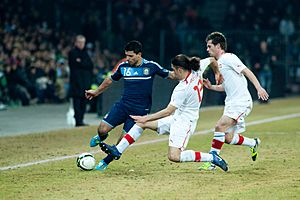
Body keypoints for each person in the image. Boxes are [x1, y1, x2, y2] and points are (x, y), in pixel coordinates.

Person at [94, 54, 228, 172]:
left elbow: (167, 111)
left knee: (174, 156)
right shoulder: (197, 69)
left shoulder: (182, 88)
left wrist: (145, 117)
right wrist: (217, 73)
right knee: (142, 124)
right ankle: (117, 151)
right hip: (176, 118)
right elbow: (211, 60)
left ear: (180, 69)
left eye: (174, 70)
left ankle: (212, 157)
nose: (173, 74)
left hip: (184, 123)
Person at [85, 40, 176, 165]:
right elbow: (110, 79)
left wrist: (189, 76)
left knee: (122, 142)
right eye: (126, 55)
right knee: (102, 129)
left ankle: (105, 162)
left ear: (139, 54)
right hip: (123, 105)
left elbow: (171, 75)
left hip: (140, 111)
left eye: (131, 56)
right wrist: (96, 92)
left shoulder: (151, 66)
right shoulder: (123, 67)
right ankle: (101, 137)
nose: (127, 59)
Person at [199, 32, 269, 170]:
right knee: (228, 138)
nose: (207, 49)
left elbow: (246, 71)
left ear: (218, 46)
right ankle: (253, 143)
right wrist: (211, 86)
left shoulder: (229, 57)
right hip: (231, 102)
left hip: (240, 102)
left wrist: (259, 87)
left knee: (219, 126)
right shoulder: (219, 64)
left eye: (209, 46)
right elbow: (225, 87)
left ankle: (212, 162)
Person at [68, 35, 93, 127]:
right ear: (76, 42)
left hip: (85, 82)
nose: (81, 44)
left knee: (83, 102)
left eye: (83, 42)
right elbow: (77, 65)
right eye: (80, 42)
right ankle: (78, 120)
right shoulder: (72, 53)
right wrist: (83, 63)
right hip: (76, 83)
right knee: (77, 102)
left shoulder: (85, 53)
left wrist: (81, 62)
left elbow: (90, 65)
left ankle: (81, 119)